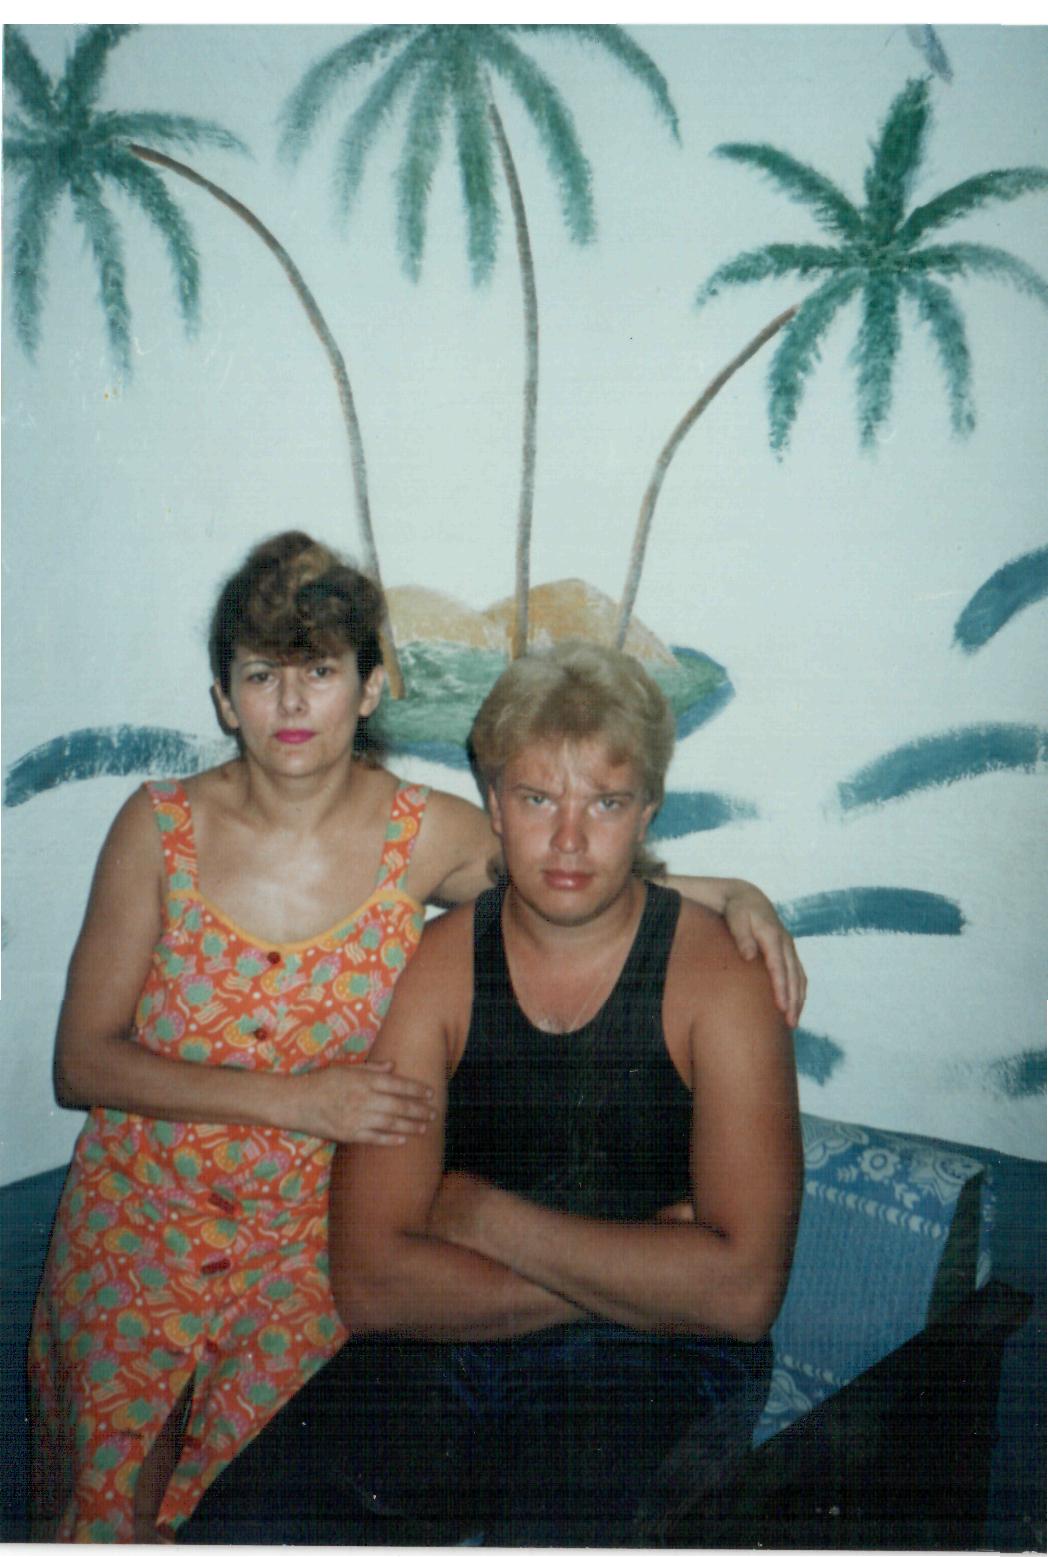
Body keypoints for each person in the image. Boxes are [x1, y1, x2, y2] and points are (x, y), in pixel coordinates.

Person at [28, 533, 804, 1543]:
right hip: (146, 1209)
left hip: (301, 1239)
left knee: (225, 1507)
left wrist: (735, 892)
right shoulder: (159, 828)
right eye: (262, 674)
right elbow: (81, 1061)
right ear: (224, 697)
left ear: (370, 687)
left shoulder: (422, 833)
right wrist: (299, 1100)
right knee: (117, 1506)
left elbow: (571, 868)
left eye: (319, 671)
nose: (292, 701)